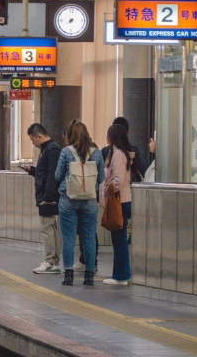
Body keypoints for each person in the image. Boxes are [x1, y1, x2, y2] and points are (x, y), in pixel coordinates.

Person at [54, 120, 104, 287]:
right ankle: (89, 275)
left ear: (70, 135)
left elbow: (57, 175)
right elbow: (102, 178)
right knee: (88, 237)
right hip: (89, 200)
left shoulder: (66, 152)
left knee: (68, 238)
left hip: (69, 199)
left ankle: (68, 275)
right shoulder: (97, 153)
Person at [27, 123, 62, 275]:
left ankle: (50, 262)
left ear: (39, 136)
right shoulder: (48, 150)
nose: (33, 143)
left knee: (47, 228)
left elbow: (52, 175)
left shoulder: (52, 150)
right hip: (46, 195)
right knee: (50, 228)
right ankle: (53, 260)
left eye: (32, 140)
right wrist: (33, 171)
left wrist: (48, 196)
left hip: (48, 197)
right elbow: (45, 173)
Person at [100, 124, 134, 285]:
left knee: (119, 239)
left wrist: (107, 187)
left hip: (119, 201)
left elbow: (118, 181)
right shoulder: (117, 153)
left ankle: (121, 275)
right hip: (122, 200)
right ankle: (120, 273)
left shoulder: (118, 155)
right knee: (119, 239)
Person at [101, 117, 147, 182]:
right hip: (130, 187)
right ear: (128, 132)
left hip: (112, 189)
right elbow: (146, 172)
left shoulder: (105, 152)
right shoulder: (135, 151)